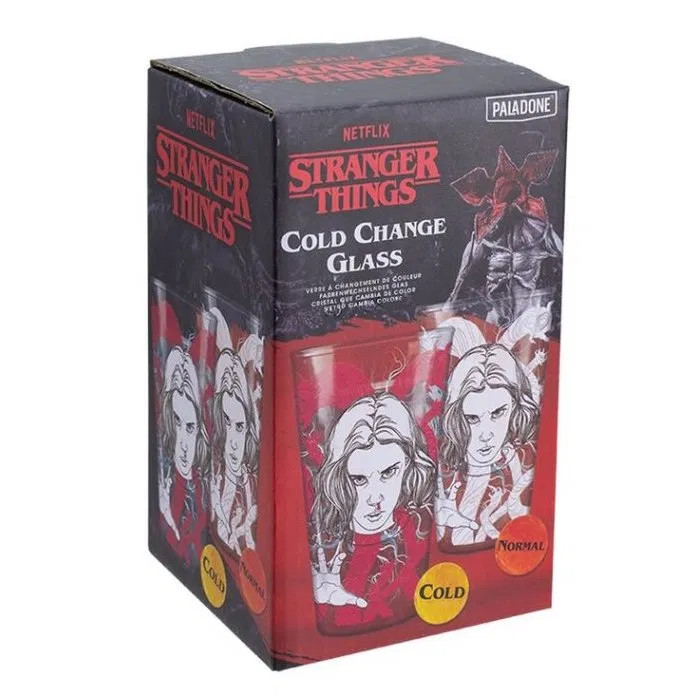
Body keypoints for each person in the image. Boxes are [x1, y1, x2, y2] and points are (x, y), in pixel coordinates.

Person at [309, 393, 435, 631]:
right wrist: (320, 602)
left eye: (388, 473)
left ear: (408, 465)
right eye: (359, 479)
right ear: (339, 478)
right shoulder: (321, 538)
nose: (375, 498)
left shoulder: (418, 526)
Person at [436, 343, 539, 546]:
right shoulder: (443, 470)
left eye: (498, 413)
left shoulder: (521, 459)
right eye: (472, 418)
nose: (485, 435)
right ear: (456, 418)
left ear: (515, 406)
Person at [157, 345, 210, 565]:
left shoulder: (204, 489)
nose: (183, 444)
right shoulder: (166, 483)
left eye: (190, 427)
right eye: (176, 422)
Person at [209, 348, 259, 556]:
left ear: (248, 428)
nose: (232, 443)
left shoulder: (252, 482)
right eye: (226, 423)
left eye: (239, 426)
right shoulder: (215, 482)